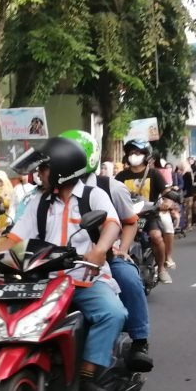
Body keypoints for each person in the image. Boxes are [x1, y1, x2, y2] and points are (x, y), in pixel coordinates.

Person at [1, 136, 127, 391]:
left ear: (61, 170)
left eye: (44, 169)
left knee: (113, 313)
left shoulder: (94, 195)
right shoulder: (39, 202)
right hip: (46, 284)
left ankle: (87, 377)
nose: (39, 174)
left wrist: (98, 250)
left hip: (84, 280)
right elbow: (16, 239)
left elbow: (113, 223)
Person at [60, 130, 153, 370]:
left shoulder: (109, 187)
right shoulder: (49, 193)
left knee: (128, 277)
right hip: (64, 262)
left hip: (105, 256)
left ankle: (139, 341)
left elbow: (129, 221)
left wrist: (121, 249)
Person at [116, 140, 171, 283]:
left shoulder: (154, 174)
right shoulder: (121, 176)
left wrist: (167, 202)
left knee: (156, 236)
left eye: (138, 152)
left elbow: (167, 193)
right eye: (131, 152)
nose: (134, 155)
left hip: (149, 215)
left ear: (146, 155)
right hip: (127, 216)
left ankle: (161, 268)